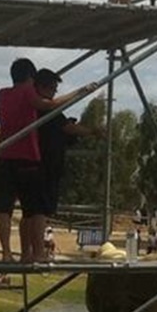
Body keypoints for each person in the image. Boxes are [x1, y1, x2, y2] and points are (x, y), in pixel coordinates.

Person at [0, 58, 95, 263]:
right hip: (27, 159)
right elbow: (50, 105)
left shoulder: (2, 94)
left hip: (4, 155)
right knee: (34, 210)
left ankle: (7, 252)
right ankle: (36, 253)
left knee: (4, 208)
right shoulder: (28, 92)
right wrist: (80, 92)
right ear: (31, 78)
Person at [33, 68, 101, 221]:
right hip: (47, 163)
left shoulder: (33, 106)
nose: (54, 94)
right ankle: (36, 245)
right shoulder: (46, 109)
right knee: (40, 211)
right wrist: (93, 131)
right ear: (42, 87)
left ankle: (30, 245)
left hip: (38, 161)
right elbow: (68, 128)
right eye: (53, 90)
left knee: (31, 211)